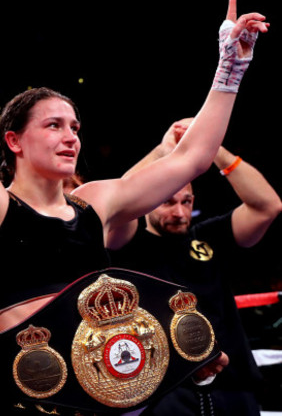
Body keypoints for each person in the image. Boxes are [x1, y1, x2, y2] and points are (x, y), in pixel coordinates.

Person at [0, 0, 269, 413]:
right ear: (14, 140)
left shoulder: (93, 203)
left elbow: (192, 157)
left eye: (75, 127)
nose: (70, 137)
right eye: (54, 126)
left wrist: (230, 70)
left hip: (98, 399)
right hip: (16, 402)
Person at [106, 119, 282, 415]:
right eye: (168, 202)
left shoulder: (209, 236)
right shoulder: (128, 240)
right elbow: (112, 202)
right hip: (167, 392)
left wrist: (215, 151)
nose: (179, 212)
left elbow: (268, 205)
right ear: (148, 202)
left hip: (233, 384)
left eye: (186, 202)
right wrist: (162, 152)